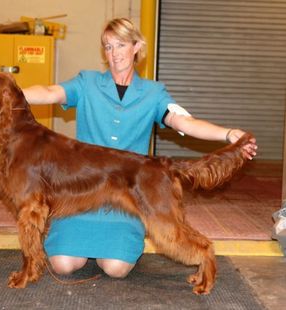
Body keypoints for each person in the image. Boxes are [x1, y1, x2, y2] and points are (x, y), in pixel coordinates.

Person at [23, 18, 257, 278]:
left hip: (128, 198)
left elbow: (184, 122)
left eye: (120, 45)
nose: (113, 54)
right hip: (81, 196)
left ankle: (113, 247)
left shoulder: (153, 93)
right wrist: (9, 93)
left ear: (136, 46)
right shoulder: (86, 83)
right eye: (108, 47)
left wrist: (227, 134)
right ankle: (85, 246)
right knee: (63, 266)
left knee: (115, 269)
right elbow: (48, 92)